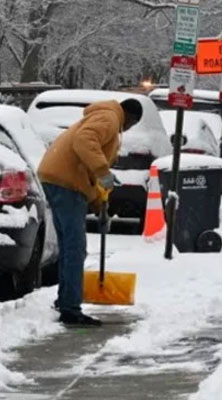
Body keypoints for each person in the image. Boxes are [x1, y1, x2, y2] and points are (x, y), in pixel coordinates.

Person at [38, 98, 143, 326]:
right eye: (132, 125)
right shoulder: (110, 118)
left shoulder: (106, 116)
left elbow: (87, 171)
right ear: (131, 118)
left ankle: (65, 300)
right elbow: (84, 142)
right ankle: (70, 309)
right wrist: (104, 172)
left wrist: (98, 204)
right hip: (66, 182)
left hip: (58, 178)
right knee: (75, 248)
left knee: (68, 246)